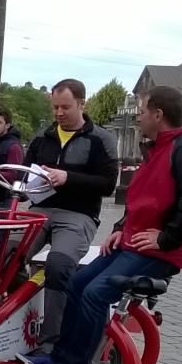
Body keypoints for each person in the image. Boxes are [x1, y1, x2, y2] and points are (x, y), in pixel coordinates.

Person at [21, 86, 182, 364]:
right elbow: (143, 200)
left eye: (140, 111)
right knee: (76, 283)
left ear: (158, 114)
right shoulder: (157, 148)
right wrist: (120, 229)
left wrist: (165, 239)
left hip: (158, 251)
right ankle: (59, 356)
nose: (137, 117)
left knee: (95, 294)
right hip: (133, 243)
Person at [23, 78, 119, 346]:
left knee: (59, 265)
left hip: (79, 213)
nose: (58, 114)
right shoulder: (42, 137)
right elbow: (23, 173)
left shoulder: (101, 139)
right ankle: (13, 326)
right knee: (8, 257)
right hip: (40, 208)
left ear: (81, 103)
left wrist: (68, 177)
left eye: (65, 107)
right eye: (55, 108)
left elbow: (109, 184)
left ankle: (52, 340)